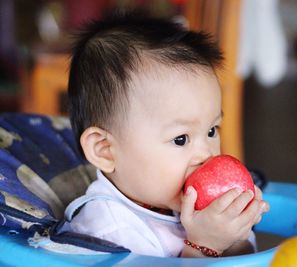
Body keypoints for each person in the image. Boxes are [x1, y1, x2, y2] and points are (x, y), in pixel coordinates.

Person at [64, 10, 269, 258]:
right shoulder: (109, 231)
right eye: (181, 139)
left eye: (212, 130)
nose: (206, 154)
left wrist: (235, 235)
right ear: (105, 150)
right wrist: (203, 246)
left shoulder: (168, 198)